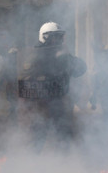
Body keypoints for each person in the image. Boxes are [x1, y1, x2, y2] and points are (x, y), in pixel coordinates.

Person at [14, 21, 87, 150]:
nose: (60, 40)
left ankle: (58, 166)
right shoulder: (38, 56)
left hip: (54, 106)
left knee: (60, 140)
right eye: (56, 37)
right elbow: (24, 84)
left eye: (60, 37)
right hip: (42, 107)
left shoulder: (57, 55)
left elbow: (81, 69)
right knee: (40, 141)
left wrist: (65, 58)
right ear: (45, 37)